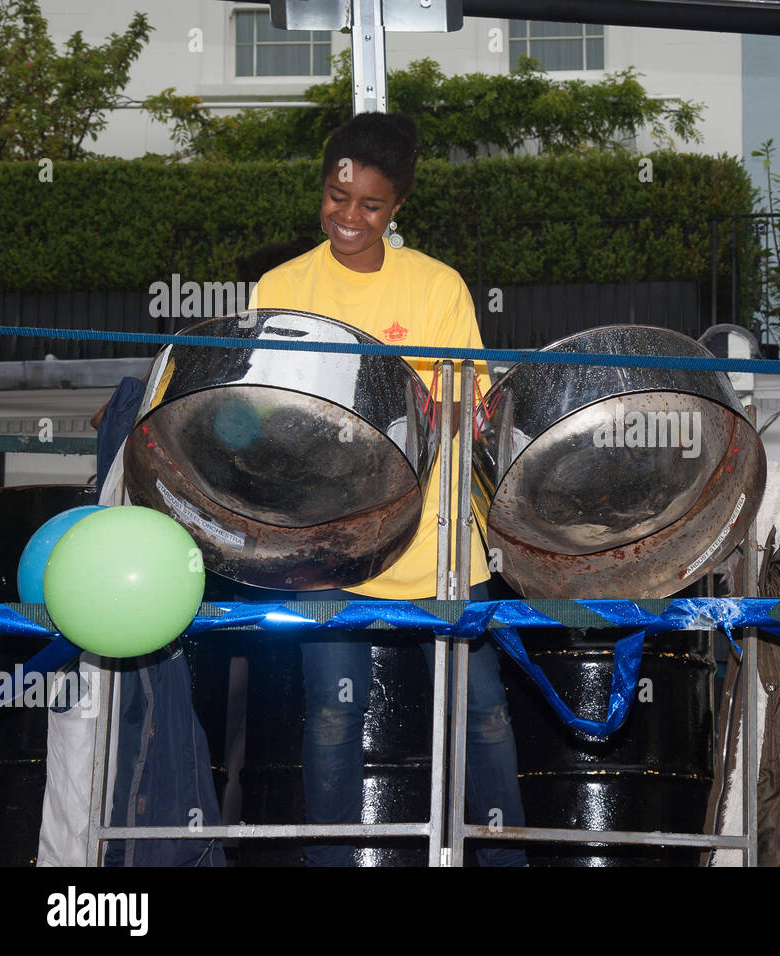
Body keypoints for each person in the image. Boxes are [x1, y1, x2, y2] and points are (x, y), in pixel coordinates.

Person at [249, 112, 525, 866]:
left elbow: (476, 406)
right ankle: (332, 858)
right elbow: (263, 413)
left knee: (483, 714)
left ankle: (504, 857)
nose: (348, 217)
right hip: (326, 542)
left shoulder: (437, 287)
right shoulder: (283, 286)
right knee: (335, 719)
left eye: (370, 206)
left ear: (397, 206)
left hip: (433, 539)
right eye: (337, 198)